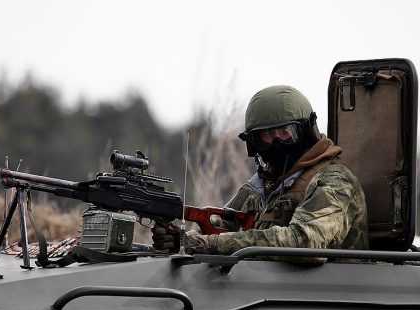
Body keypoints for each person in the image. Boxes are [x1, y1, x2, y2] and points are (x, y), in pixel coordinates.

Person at [152, 85, 368, 262]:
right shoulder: (261, 184)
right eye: (266, 135)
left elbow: (305, 242)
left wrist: (208, 245)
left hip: (331, 299)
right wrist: (182, 239)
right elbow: (222, 228)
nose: (276, 142)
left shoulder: (335, 182)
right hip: (266, 294)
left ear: (306, 131)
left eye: (285, 133)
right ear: (254, 143)